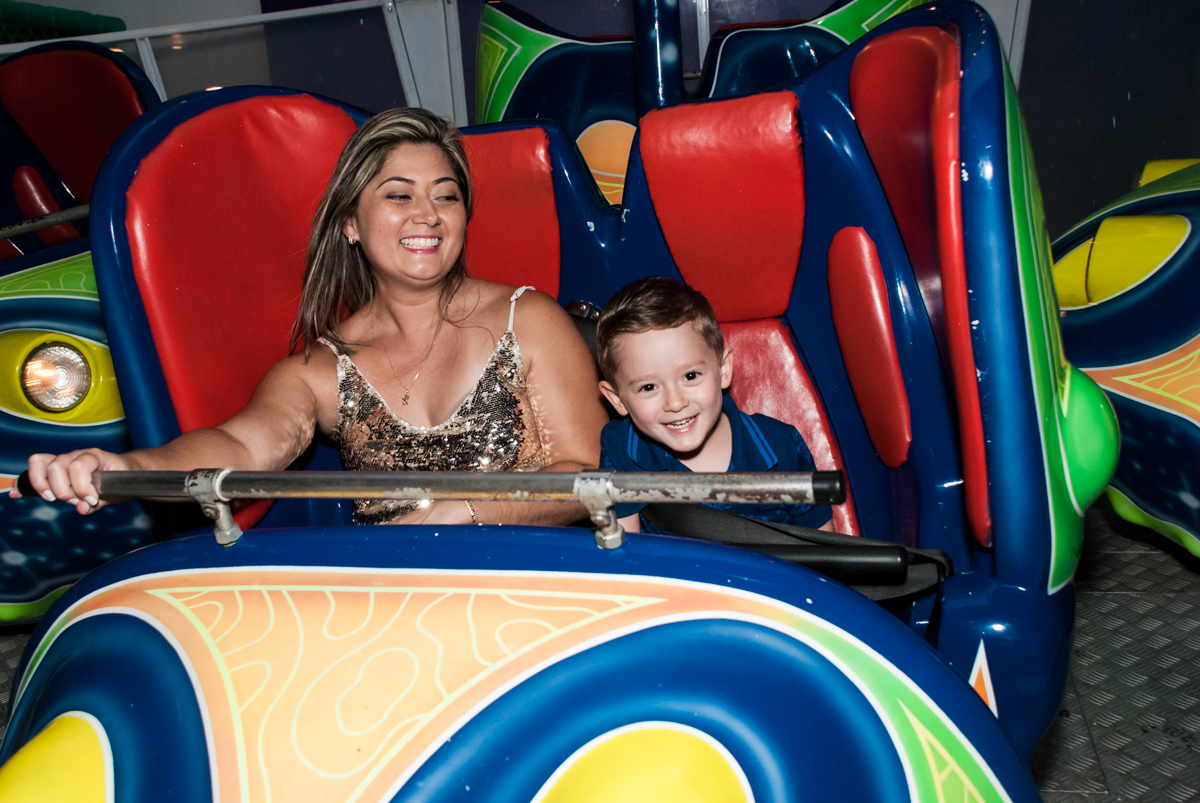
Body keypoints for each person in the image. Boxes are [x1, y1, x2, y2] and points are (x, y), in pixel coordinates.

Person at [14, 108, 609, 526]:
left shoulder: (528, 318)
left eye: (446, 195)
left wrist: (463, 512)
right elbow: (240, 446)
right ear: (351, 224)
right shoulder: (323, 369)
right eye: (399, 194)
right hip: (391, 607)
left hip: (540, 589)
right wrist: (124, 467)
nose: (427, 213)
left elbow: (584, 472)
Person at [596, 276, 833, 535]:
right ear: (617, 399)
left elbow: (826, 546)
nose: (675, 403)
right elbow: (622, 551)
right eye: (648, 387)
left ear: (723, 370)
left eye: (690, 376)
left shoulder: (781, 446)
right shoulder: (621, 450)